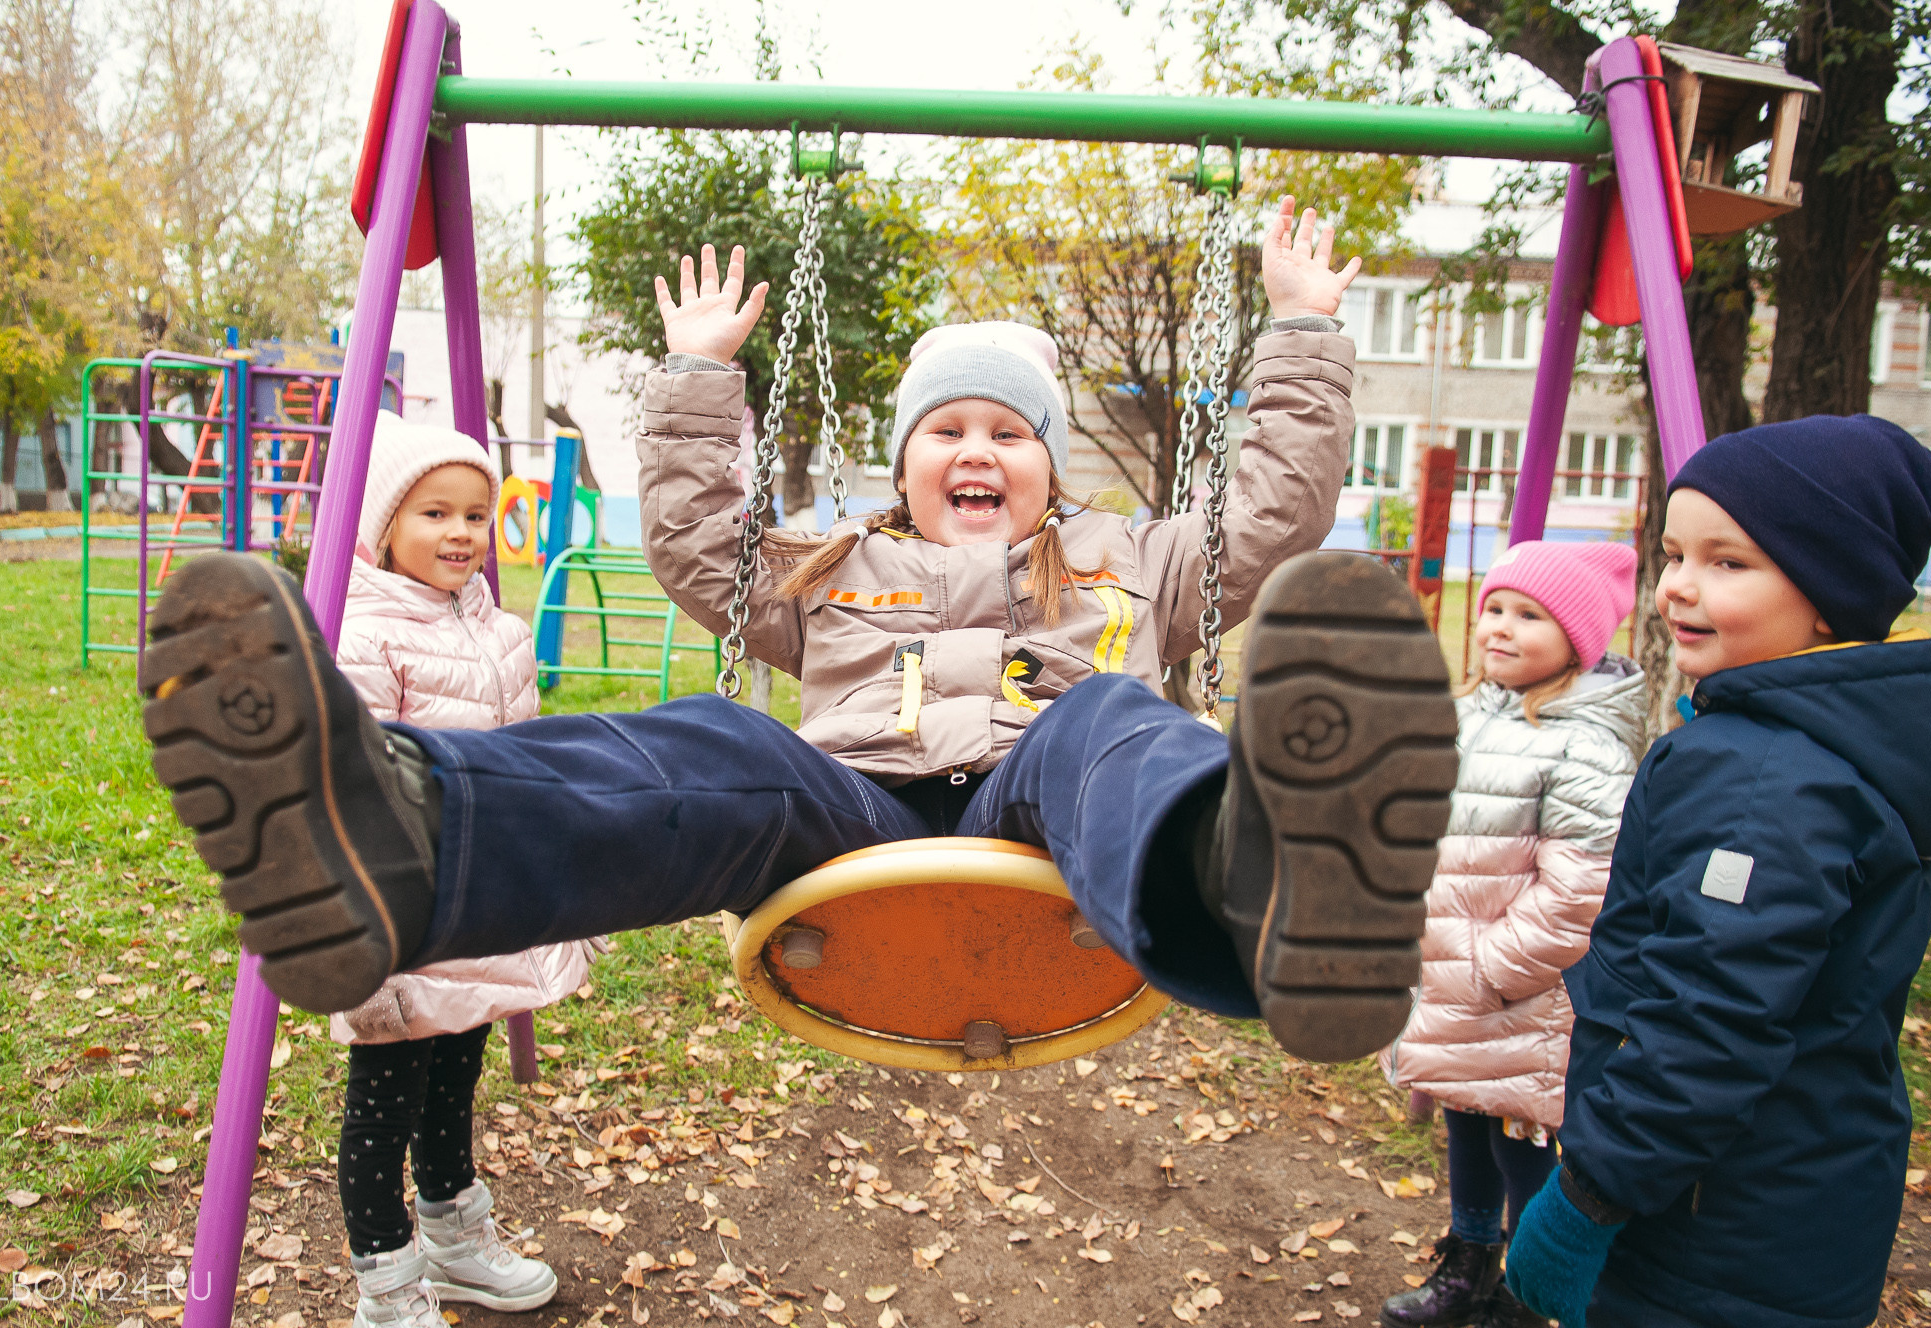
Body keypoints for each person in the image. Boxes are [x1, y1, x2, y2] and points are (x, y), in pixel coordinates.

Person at [134, 198, 1458, 1065]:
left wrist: (1303, 335)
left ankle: (1258, 876)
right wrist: (702, 378)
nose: (979, 450)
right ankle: (409, 838)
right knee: (728, 750)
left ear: (1053, 467)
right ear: (906, 462)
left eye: (1010, 432)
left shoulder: (1140, 561)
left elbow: (1272, 520)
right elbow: (704, 552)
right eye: (949, 429)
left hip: (1057, 834)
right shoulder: (833, 565)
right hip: (858, 822)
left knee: (1112, 719)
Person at [1501, 416, 1931, 1328]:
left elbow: (1709, 1020)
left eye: (1729, 563)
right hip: (1799, 1198)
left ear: (1830, 591)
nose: (1678, 590)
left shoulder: (1765, 772)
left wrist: (1588, 1199)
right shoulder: (1827, 747)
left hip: (1710, 1233)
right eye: (1672, 555)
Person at [322, 416, 593, 1328]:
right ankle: (386, 1287)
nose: (460, 533)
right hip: (402, 910)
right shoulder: (364, 636)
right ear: (384, 526)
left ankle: (455, 1242)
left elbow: (519, 760)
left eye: (476, 515)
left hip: (482, 905)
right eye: (434, 512)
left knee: (453, 1084)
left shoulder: (502, 630)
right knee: (385, 1104)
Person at [1378, 541, 1643, 1328]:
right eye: (1494, 607)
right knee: (1466, 1122)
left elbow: (1577, 896)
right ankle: (1468, 1265)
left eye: (1529, 616)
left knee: (1520, 1145)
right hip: (1456, 980)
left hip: (1520, 994)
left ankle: (1531, 1295)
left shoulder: (1584, 746)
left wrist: (1491, 971)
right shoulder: (1472, 713)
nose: (1499, 626)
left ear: (1577, 639)